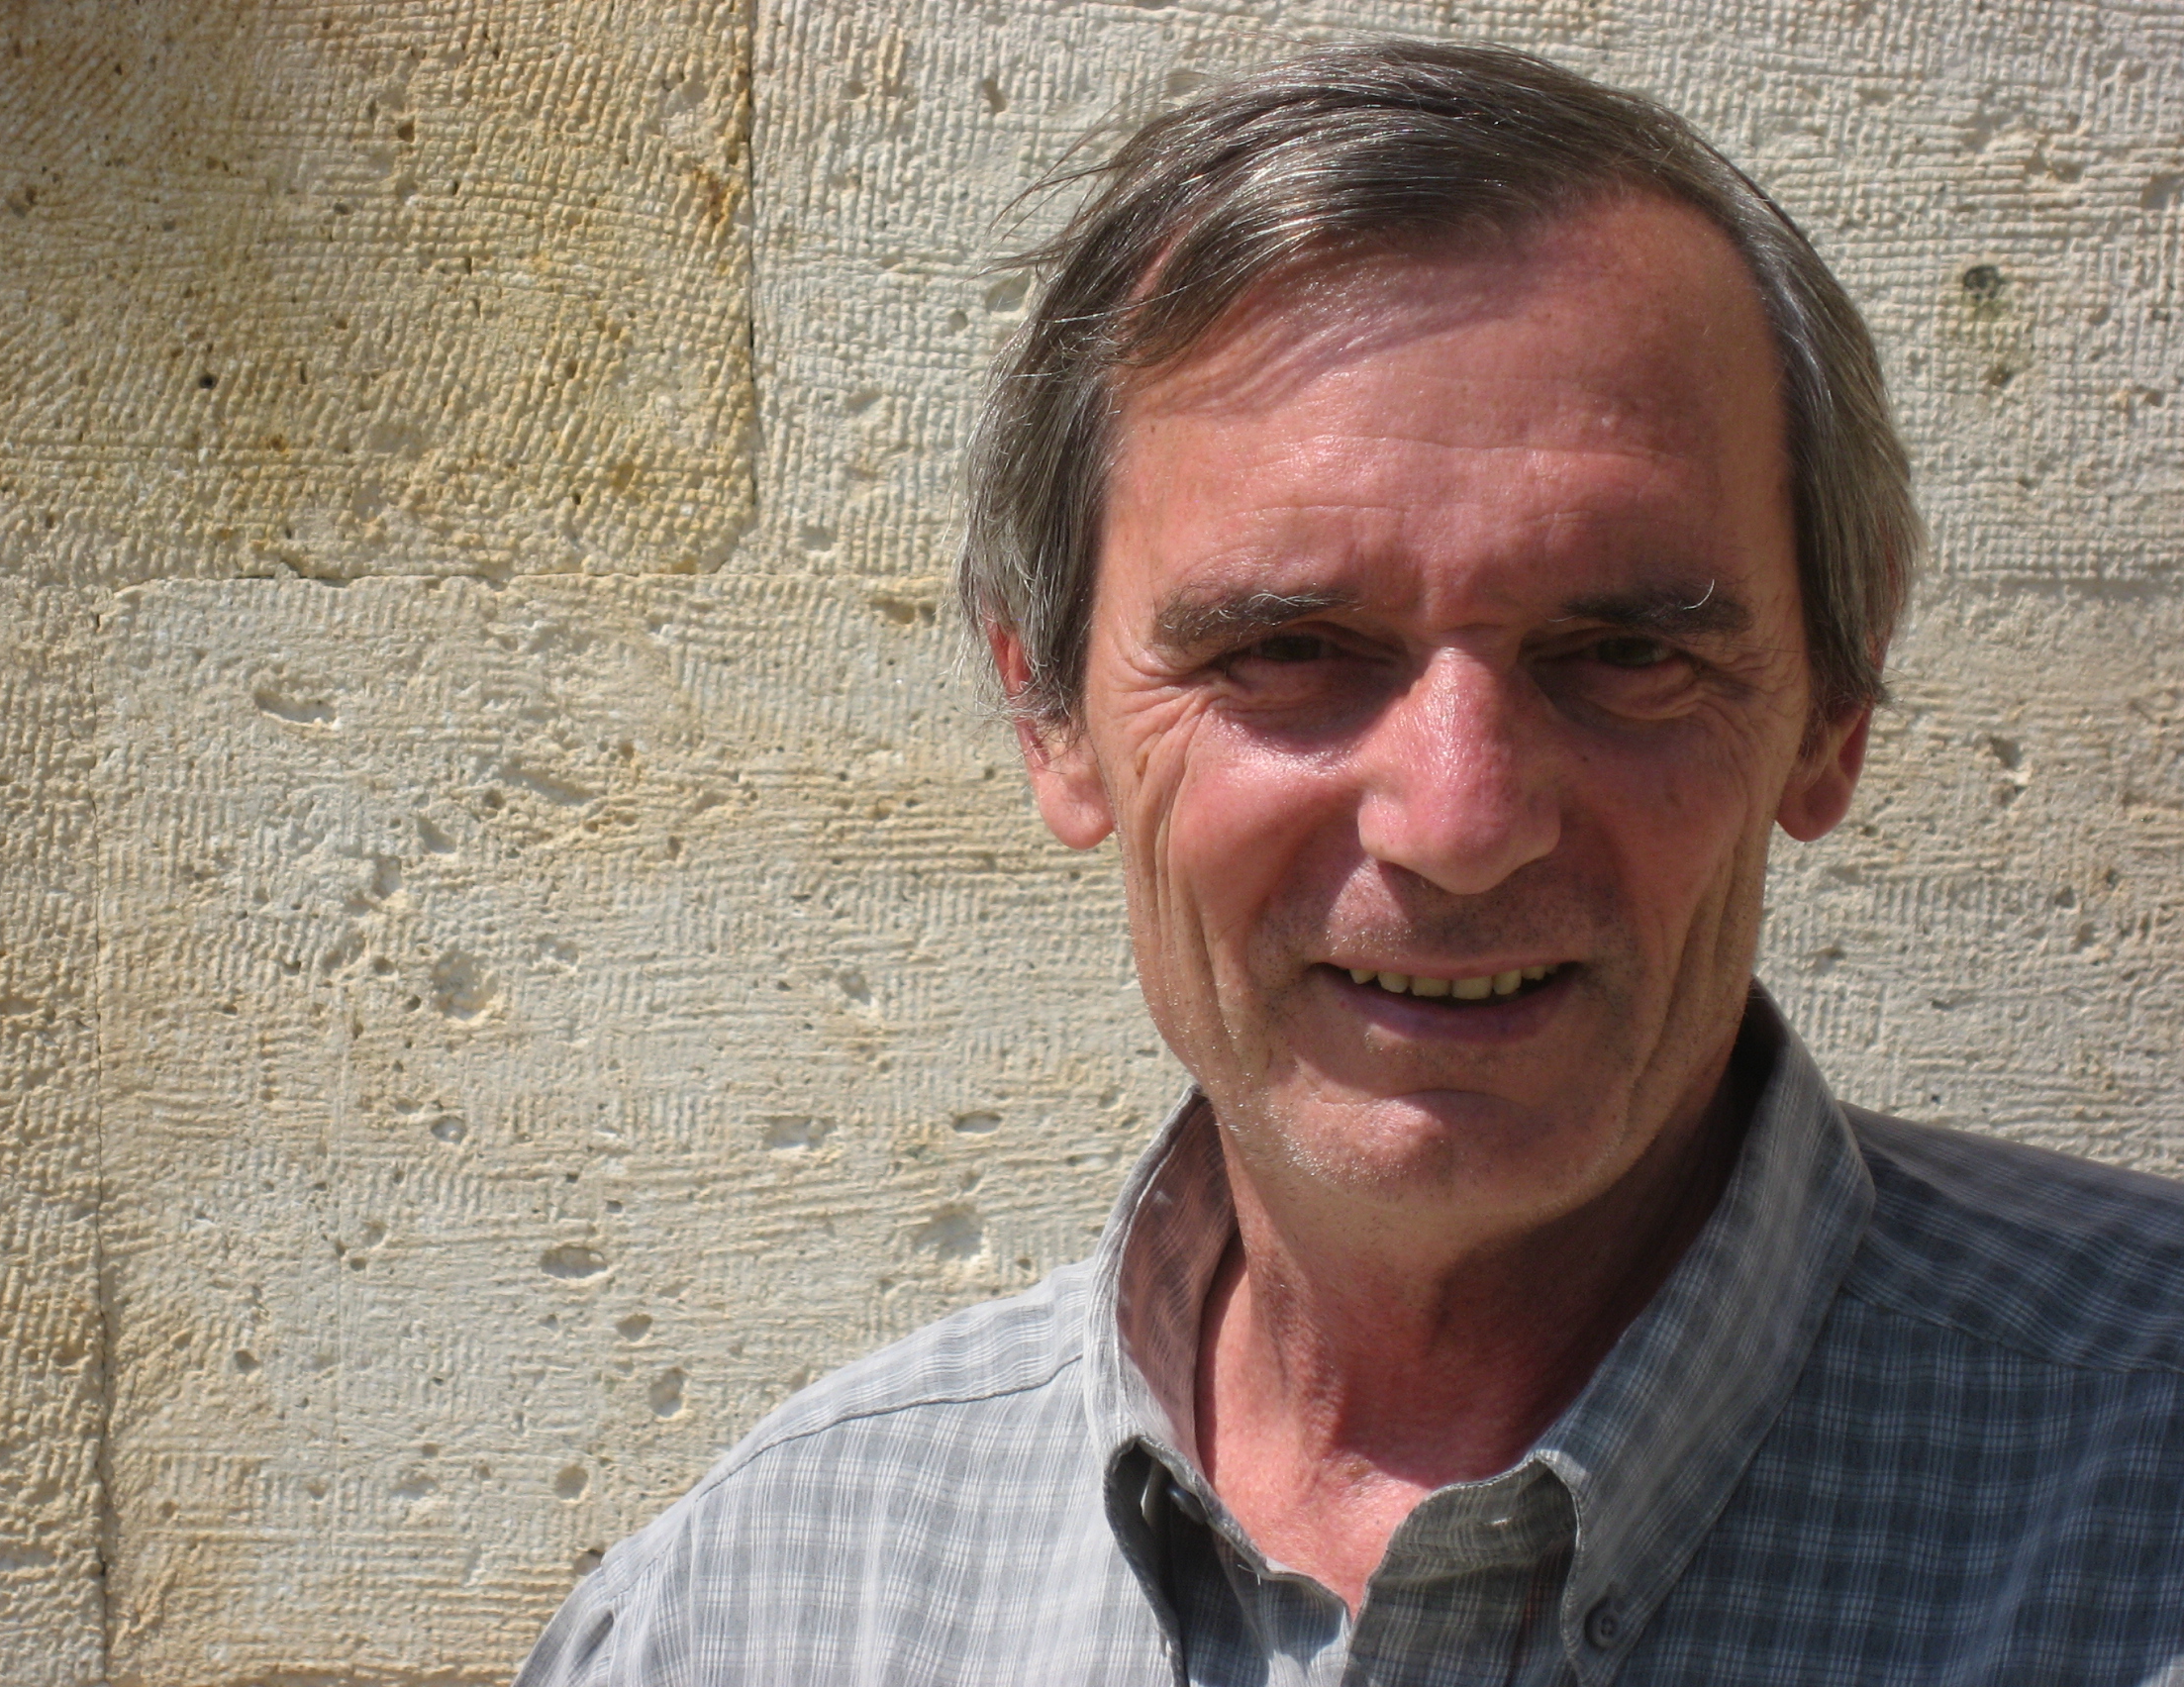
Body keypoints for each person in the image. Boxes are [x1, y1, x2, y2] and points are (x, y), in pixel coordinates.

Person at [515, 41, 2184, 1685]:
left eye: (1623, 654)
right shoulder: (747, 1617)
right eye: (1288, 650)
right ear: (1051, 715)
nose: (1457, 824)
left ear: (1836, 707)